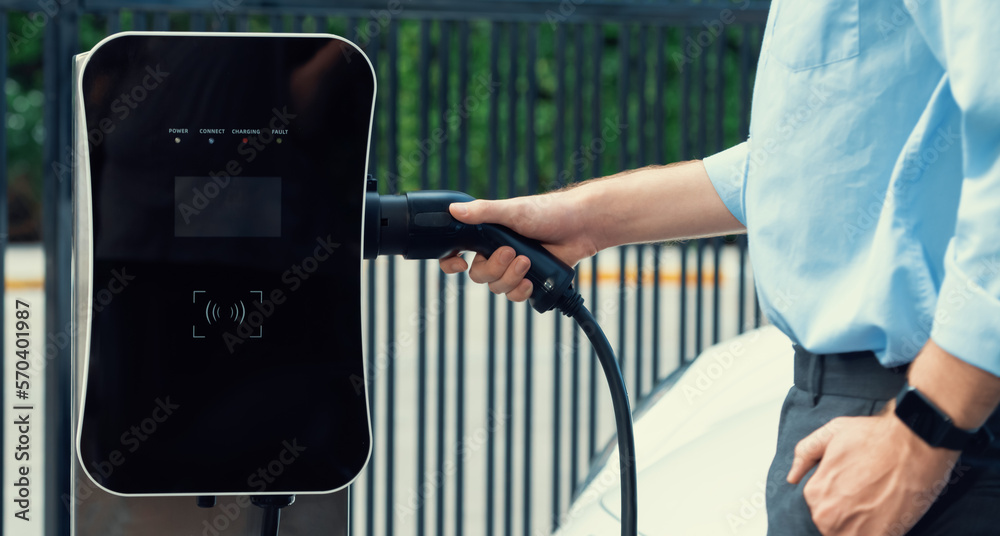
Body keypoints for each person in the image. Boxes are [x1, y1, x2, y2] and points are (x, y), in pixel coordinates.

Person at [438, 1, 1000, 535]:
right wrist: (584, 220)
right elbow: (809, 160)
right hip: (888, 415)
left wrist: (921, 436)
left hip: (932, 421)